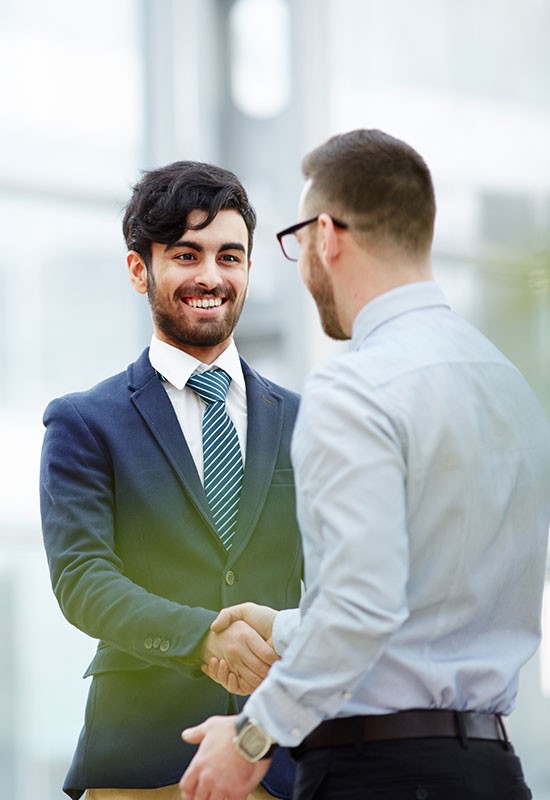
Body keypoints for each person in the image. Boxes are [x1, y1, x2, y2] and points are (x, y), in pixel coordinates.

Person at [178, 129, 550, 800]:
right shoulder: (510, 387)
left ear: (328, 235)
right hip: (493, 773)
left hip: (377, 776)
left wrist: (253, 736)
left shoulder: (355, 387)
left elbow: (363, 605)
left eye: (294, 241)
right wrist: (283, 625)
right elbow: (427, 603)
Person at [39, 161, 303, 800]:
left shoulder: (306, 420)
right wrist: (202, 635)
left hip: (280, 764)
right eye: (187, 255)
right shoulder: (84, 421)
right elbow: (82, 580)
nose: (211, 277)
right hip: (142, 765)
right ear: (140, 270)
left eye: (229, 256)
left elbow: (341, 581)